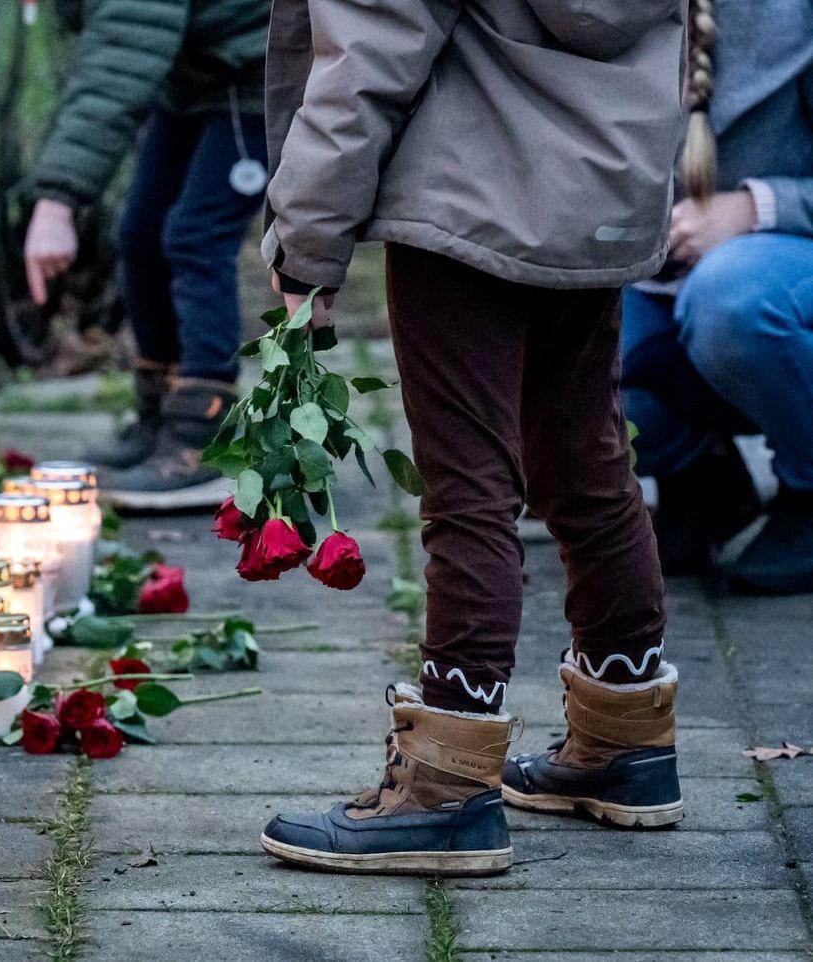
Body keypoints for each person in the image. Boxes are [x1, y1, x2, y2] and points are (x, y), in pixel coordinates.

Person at [257, 0, 686, 876]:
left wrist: (307, 240)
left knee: (468, 483)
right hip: (607, 178)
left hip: (469, 186)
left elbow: (370, 51)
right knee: (584, 455)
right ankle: (625, 738)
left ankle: (445, 787)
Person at [23, 0, 270, 509]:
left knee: (195, 236)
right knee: (140, 236)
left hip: (262, 68)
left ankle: (204, 439)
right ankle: (159, 418)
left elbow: (122, 55)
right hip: (196, 73)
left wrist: (57, 201)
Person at [621, 0, 813, 595]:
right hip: (654, 271)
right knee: (536, 346)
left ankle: (808, 488)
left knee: (730, 299)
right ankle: (700, 477)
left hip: (777, 262)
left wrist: (756, 208)